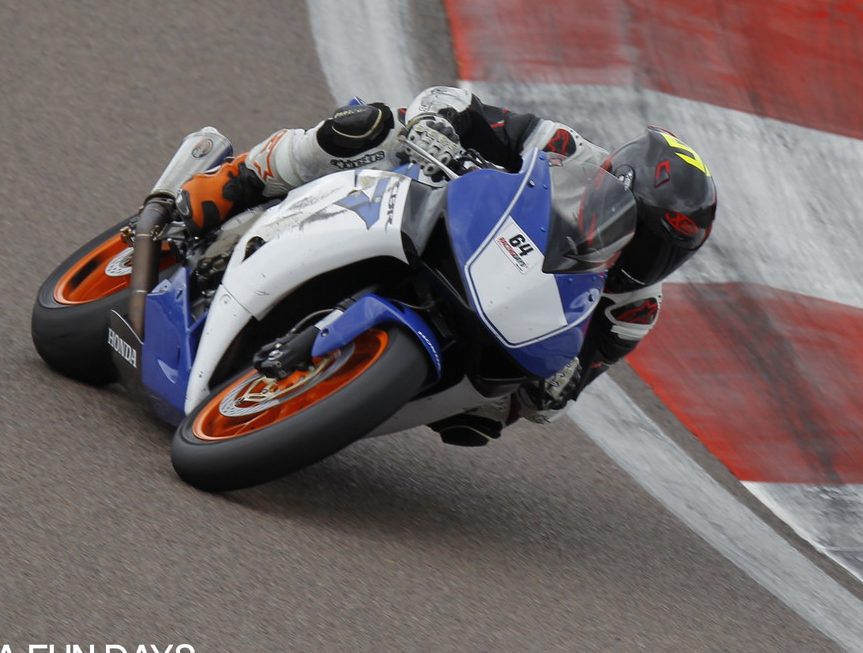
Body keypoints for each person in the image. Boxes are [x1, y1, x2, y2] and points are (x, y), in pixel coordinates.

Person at [173, 87, 717, 446]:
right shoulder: (565, 150)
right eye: (638, 234)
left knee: (484, 419)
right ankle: (224, 186)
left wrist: (556, 384)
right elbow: (454, 101)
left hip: (501, 314)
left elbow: (558, 399)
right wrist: (437, 124)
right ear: (612, 183)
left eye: (660, 253)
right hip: (447, 218)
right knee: (371, 127)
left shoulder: (636, 308)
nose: (640, 258)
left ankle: (332, 401)